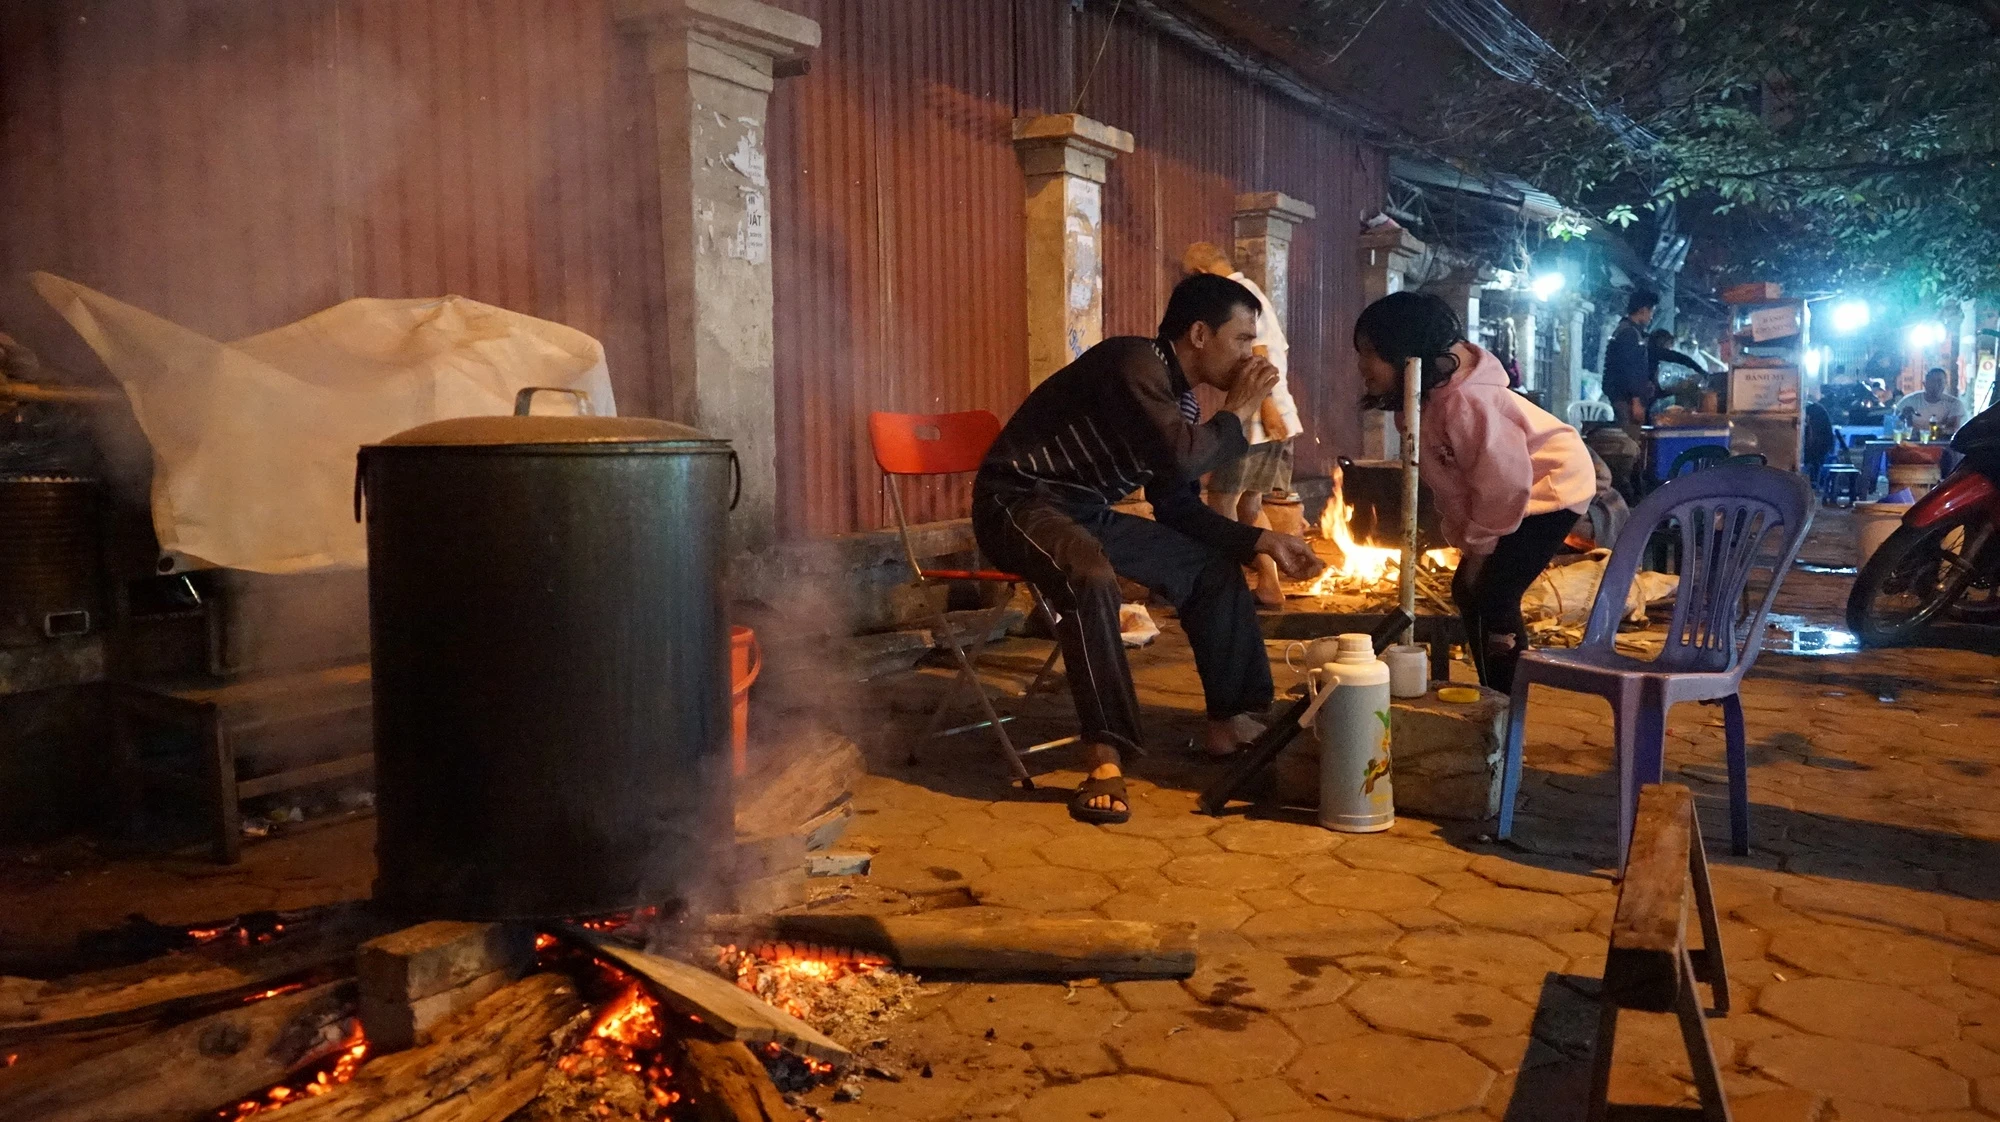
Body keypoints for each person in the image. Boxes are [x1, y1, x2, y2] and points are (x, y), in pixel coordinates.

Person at [973, 273, 1324, 824]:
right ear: (1201, 334)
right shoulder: (1133, 363)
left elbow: (1178, 505)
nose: (1248, 355)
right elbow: (1185, 459)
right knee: (1088, 572)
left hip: (1081, 512)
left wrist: (1259, 541)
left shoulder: (1180, 405)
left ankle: (1232, 719)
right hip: (1017, 502)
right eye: (1241, 340)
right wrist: (1236, 412)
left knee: (1209, 567)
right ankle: (1105, 761)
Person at [1355, 292, 1595, 694]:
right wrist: (1468, 543)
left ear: (1405, 352)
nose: (1362, 366)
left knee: (1494, 593)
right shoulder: (1420, 406)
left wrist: (1481, 548)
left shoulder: (1466, 402)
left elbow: (1503, 482)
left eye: (1371, 353)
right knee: (1468, 590)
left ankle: (1505, 706)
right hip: (1513, 492)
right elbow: (1451, 484)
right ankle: (1493, 691)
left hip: (1551, 485)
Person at [1182, 243, 1303, 607]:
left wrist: (1264, 410)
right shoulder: (1254, 292)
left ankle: (1228, 588)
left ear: (1202, 274)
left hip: (1256, 420)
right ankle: (1269, 584)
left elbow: (1259, 353)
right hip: (1277, 415)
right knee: (1249, 506)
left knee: (1222, 501)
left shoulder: (1239, 297)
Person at [1601, 290, 1660, 427]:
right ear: (1643, 310)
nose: (1651, 317)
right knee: (1631, 439)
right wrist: (1636, 401)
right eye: (1651, 312)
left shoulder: (1628, 331)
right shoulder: (1629, 334)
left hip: (1625, 397)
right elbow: (1630, 370)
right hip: (1626, 400)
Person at [1896, 367, 1968, 439]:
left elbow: (1954, 429)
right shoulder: (1909, 401)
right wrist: (1903, 416)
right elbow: (1895, 426)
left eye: (1939, 381)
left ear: (1945, 384)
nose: (1936, 385)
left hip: (1944, 446)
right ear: (1924, 384)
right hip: (1913, 445)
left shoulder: (1954, 404)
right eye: (1932, 381)